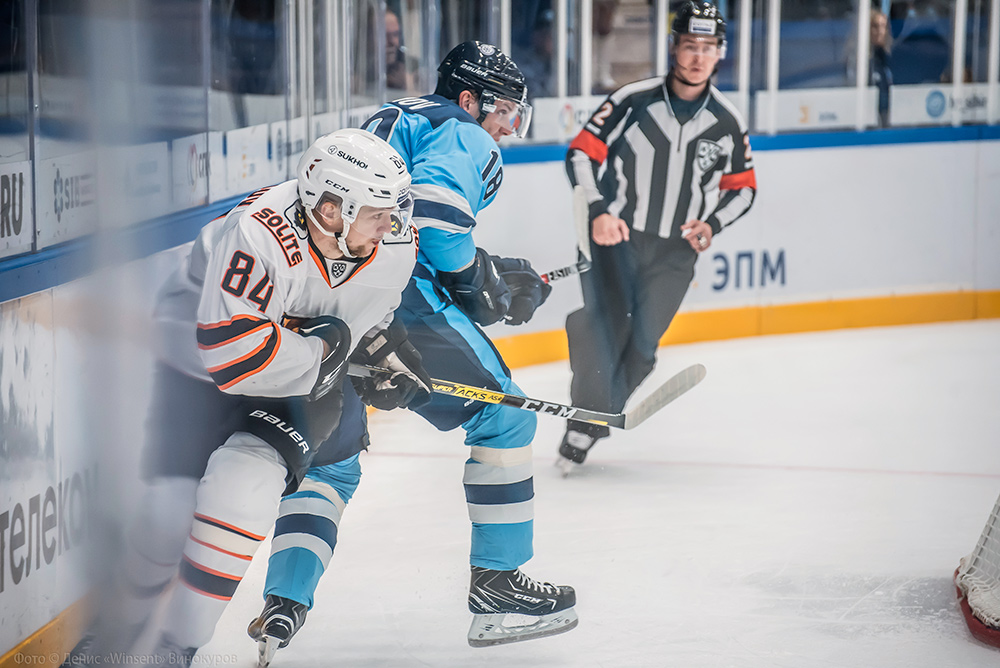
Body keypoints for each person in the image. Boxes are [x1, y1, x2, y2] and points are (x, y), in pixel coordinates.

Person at [248, 41, 577, 659]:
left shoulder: (401, 115)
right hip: (398, 299)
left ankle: (284, 603)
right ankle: (498, 587)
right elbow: (433, 219)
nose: (508, 126)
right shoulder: (464, 132)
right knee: (502, 415)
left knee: (329, 457)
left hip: (323, 296)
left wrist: (488, 272)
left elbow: (410, 217)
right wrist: (477, 282)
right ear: (469, 99)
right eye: (504, 109)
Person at [69, 128, 430, 667]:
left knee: (245, 489)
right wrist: (328, 357)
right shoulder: (259, 234)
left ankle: (175, 649)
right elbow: (233, 353)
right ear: (330, 210)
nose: (394, 225)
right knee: (166, 517)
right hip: (194, 362)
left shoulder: (392, 241)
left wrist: (381, 352)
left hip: (298, 375)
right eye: (378, 212)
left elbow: (364, 313)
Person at [558, 1, 756, 470]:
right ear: (674, 47)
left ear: (720, 54)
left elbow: (743, 189)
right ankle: (585, 422)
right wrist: (601, 211)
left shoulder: (727, 121)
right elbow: (582, 153)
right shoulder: (634, 99)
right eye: (690, 45)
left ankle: (593, 416)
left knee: (643, 348)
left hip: (675, 252)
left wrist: (712, 224)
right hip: (616, 240)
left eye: (708, 48)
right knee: (609, 329)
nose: (697, 57)